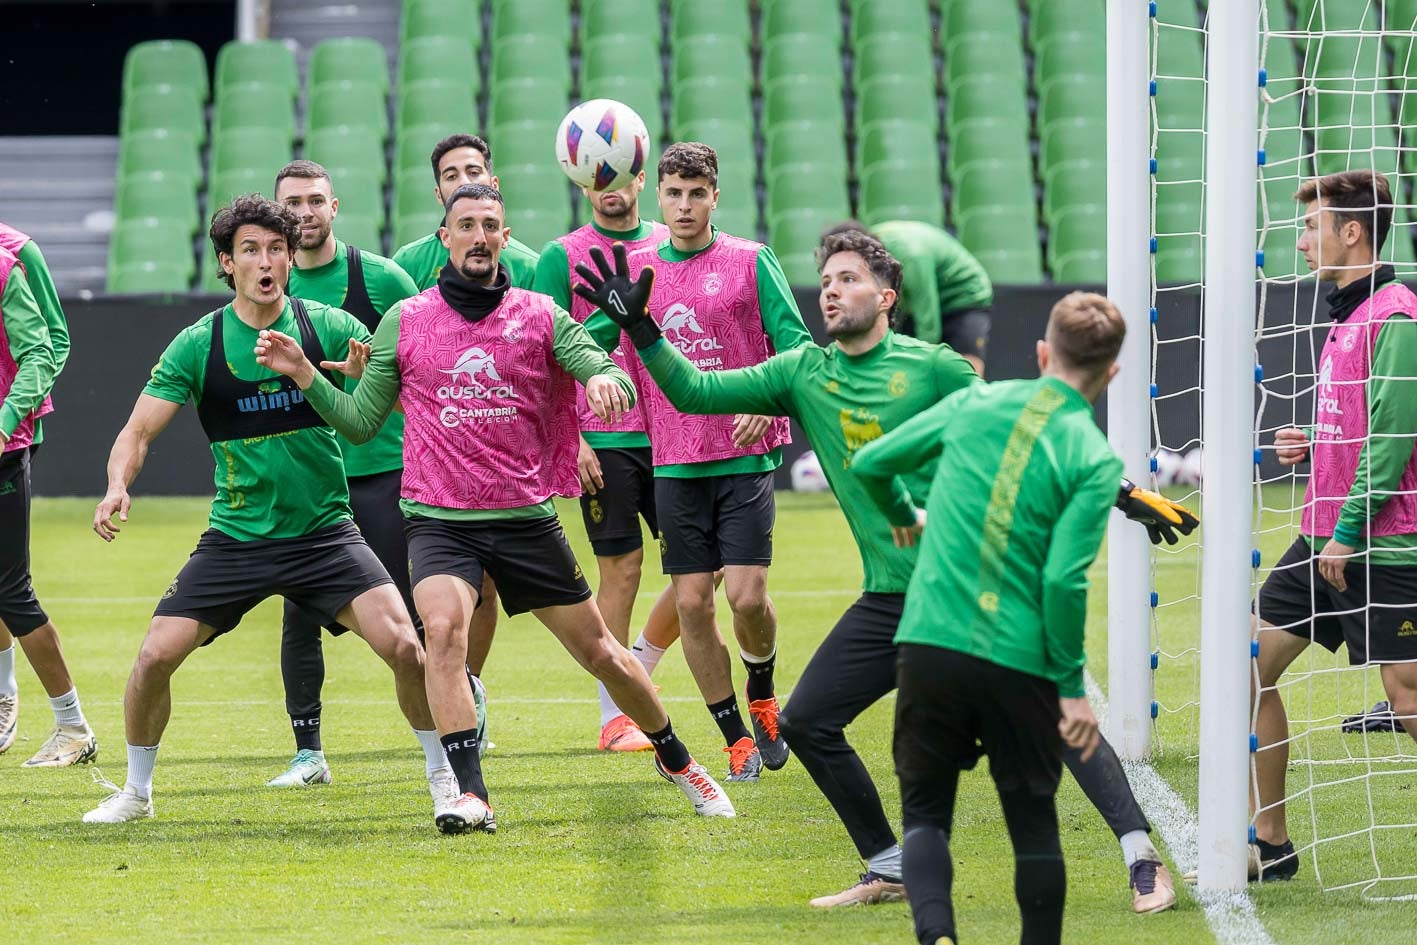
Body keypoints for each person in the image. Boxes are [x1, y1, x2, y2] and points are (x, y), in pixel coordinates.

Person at [579, 230, 1189, 913]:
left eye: (847, 278)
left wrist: (1123, 492)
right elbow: (692, 392)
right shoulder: (803, 371)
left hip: (970, 579)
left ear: (886, 296)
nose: (831, 290)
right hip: (892, 595)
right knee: (807, 720)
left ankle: (1141, 858)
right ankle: (888, 864)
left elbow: (1021, 421)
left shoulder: (933, 368)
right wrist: (642, 328)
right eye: (827, 279)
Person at [254, 182, 734, 823]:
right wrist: (305, 374)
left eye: (491, 226)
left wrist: (606, 378)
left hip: (525, 518)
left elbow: (596, 361)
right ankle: (469, 792)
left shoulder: (539, 313)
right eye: (467, 225)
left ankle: (679, 759)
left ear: (505, 238)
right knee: (444, 636)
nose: (479, 237)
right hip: (438, 521)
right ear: (445, 238)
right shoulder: (408, 318)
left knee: (602, 654)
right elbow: (362, 421)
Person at [82, 195, 457, 828]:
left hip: (324, 534)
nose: (266, 262)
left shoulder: (330, 327)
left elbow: (397, 402)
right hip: (237, 538)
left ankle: (445, 780)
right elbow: (137, 433)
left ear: (289, 259)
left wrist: (374, 378)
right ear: (227, 264)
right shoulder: (198, 345)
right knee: (153, 658)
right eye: (250, 250)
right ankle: (136, 793)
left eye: (276, 250)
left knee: (404, 647)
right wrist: (118, 484)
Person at [851, 292, 1129, 945]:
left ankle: (937, 935)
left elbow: (869, 462)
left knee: (924, 815)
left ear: (1041, 354)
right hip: (1019, 659)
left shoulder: (975, 400)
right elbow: (1062, 578)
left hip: (930, 643)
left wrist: (899, 510)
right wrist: (1068, 688)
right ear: (1110, 373)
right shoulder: (1094, 456)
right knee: (1032, 823)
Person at [582, 142, 813, 782]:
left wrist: (769, 404)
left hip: (743, 455)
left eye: (697, 193)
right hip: (676, 462)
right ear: (658, 195)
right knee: (690, 607)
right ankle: (734, 734)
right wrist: (587, 368)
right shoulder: (638, 268)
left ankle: (762, 691)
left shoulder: (750, 260)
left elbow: (796, 349)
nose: (684, 205)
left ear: (716, 196)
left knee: (745, 597)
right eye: (674, 193)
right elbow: (591, 346)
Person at [270, 159, 493, 786]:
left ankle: (461, 718)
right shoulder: (266, 285)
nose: (305, 213)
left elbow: (436, 360)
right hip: (310, 477)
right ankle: (309, 752)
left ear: (334, 207)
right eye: (294, 203)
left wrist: (371, 378)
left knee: (422, 613)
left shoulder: (381, 278)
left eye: (316, 201)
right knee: (298, 612)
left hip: (385, 471)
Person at [1252, 169, 1417, 882]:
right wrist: (1314, 444)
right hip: (1321, 537)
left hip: (1379, 543)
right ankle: (1270, 843)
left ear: (1352, 232)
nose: (1301, 240)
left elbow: (1392, 439)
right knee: (1245, 667)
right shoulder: (1346, 314)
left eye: (1311, 226)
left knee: (1404, 691)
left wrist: (1348, 527)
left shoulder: (1398, 315)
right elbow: (1360, 429)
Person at [533, 170, 687, 753]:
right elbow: (542, 352)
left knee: (709, 567)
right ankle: (614, 716)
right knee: (621, 571)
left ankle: (638, 664)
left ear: (641, 177)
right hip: (607, 432)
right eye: (597, 178)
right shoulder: (562, 254)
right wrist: (571, 437)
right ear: (577, 179)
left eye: (620, 175)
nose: (610, 188)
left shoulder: (667, 244)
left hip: (679, 430)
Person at [0, 228, 97, 768]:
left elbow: (47, 345)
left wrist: (11, 419)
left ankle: (72, 725)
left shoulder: (11, 258)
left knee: (11, 592)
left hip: (6, 445)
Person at [831, 220, 993, 377]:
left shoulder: (911, 256)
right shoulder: (864, 248)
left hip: (965, 296)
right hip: (917, 300)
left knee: (965, 372)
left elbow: (928, 320)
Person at [394, 133, 540, 291]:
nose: (463, 182)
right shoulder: (407, 263)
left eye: (474, 172)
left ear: (494, 184)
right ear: (438, 194)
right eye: (451, 176)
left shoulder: (530, 267)